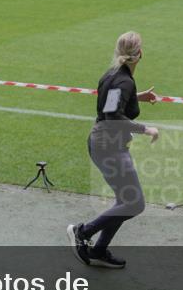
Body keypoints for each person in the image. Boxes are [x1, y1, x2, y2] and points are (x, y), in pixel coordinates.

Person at [67, 31, 159, 269]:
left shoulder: (114, 75)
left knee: (125, 200)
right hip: (109, 147)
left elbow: (111, 102)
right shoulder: (124, 80)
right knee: (135, 203)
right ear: (140, 55)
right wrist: (145, 128)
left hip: (105, 144)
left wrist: (138, 97)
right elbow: (112, 116)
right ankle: (83, 231)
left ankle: (98, 250)